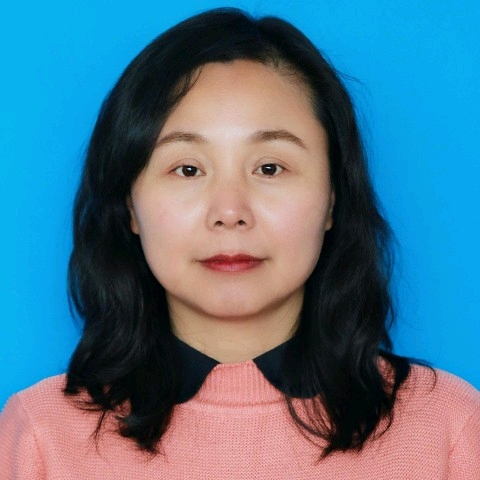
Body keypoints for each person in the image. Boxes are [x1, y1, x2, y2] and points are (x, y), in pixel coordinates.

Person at [1, 7, 479, 479]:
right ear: (130, 206)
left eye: (269, 168)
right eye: (187, 169)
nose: (230, 211)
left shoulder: (448, 429)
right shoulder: (41, 437)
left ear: (333, 199)